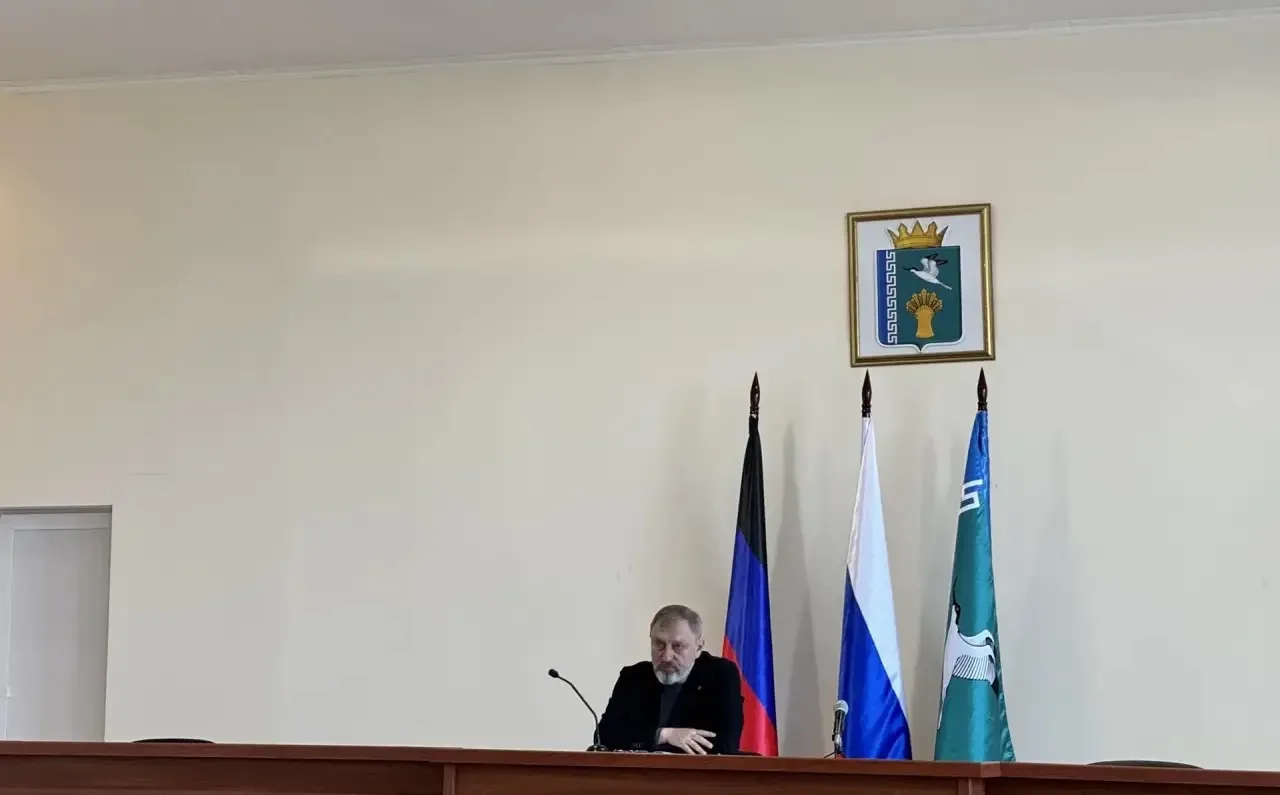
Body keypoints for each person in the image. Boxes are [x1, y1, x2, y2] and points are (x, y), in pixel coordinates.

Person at [598, 604, 744, 754]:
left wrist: (644, 741)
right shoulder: (633, 676)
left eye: (678, 646)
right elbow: (603, 737)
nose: (667, 657)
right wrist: (663, 735)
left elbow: (727, 744)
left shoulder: (720, 674)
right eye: (659, 644)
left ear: (699, 648)